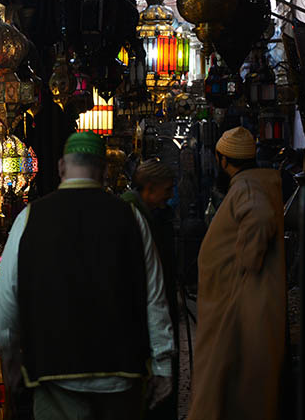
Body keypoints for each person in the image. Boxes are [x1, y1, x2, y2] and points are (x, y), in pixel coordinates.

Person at [0, 131, 174, 420]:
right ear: (104, 171)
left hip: (54, 370)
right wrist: (163, 365)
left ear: (61, 167)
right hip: (121, 372)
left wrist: (10, 358)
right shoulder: (131, 217)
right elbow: (154, 296)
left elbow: (5, 297)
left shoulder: (30, 218)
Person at [188, 126, 286, 420]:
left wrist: (248, 259)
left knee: (231, 384)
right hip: (236, 299)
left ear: (222, 160)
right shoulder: (249, 184)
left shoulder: (246, 188)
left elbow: (258, 217)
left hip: (239, 302)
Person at [122, 159, 179, 420]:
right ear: (149, 188)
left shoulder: (148, 212)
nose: (169, 197)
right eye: (167, 190)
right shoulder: (130, 214)